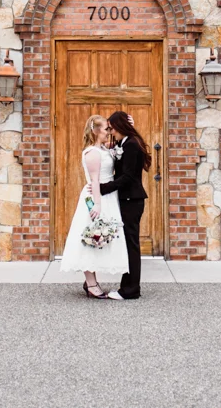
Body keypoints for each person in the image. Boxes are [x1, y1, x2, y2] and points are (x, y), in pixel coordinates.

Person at [59, 115, 128, 298]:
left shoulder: (104, 149)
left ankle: (91, 281)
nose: (109, 132)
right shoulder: (92, 153)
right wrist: (97, 204)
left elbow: (119, 148)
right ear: (96, 131)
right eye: (106, 129)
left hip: (108, 195)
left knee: (101, 236)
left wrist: (129, 126)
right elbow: (95, 180)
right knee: (91, 236)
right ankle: (91, 283)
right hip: (97, 197)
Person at [88, 110, 150, 300]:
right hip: (127, 200)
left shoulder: (131, 144)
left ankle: (130, 290)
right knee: (128, 244)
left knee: (132, 245)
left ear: (120, 127)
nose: (111, 131)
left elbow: (129, 176)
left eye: (112, 127)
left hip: (131, 200)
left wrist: (103, 188)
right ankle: (127, 287)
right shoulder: (125, 143)